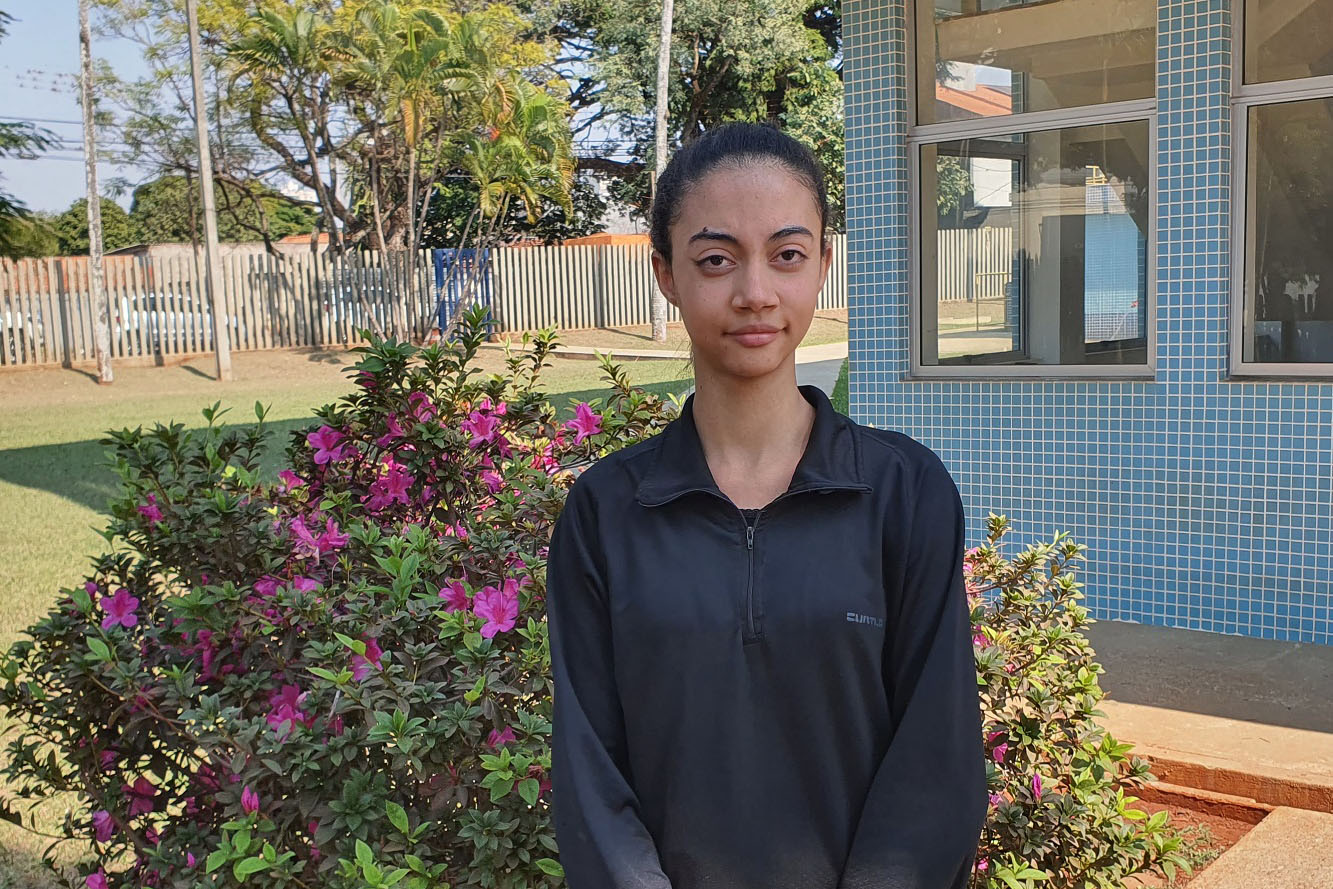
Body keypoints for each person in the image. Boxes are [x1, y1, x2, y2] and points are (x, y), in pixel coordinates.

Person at [544, 121, 987, 889]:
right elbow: (591, 776)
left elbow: (935, 760)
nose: (755, 293)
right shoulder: (605, 513)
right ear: (666, 274)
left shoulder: (904, 493)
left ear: (821, 264)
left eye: (785, 255)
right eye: (716, 259)